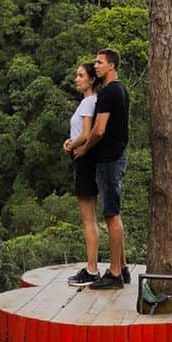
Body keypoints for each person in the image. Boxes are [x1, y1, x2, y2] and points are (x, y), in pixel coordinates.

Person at [69, 47, 130, 290]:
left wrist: (84, 149)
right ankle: (122, 267)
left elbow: (99, 130)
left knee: (111, 215)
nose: (96, 65)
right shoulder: (121, 90)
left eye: (100, 62)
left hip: (108, 158)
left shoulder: (107, 94)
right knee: (113, 212)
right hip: (118, 155)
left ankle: (114, 273)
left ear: (111, 66)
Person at [62, 62, 100, 287]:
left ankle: (92, 268)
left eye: (80, 75)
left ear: (91, 80)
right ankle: (94, 266)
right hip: (86, 160)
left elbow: (86, 134)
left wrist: (70, 144)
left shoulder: (88, 102)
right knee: (91, 218)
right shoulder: (91, 102)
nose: (76, 79)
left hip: (84, 159)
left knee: (88, 219)